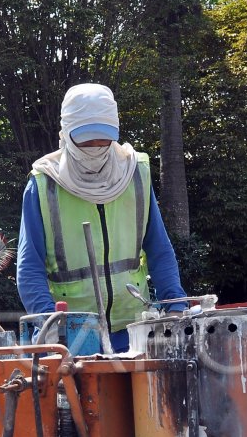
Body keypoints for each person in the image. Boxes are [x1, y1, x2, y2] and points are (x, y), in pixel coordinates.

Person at [17, 83, 187, 353]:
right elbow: (29, 268)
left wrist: (176, 306)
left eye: (103, 139)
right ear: (67, 133)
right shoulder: (43, 185)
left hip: (134, 330)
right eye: (86, 140)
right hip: (72, 335)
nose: (96, 148)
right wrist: (50, 323)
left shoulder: (136, 173)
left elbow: (159, 249)